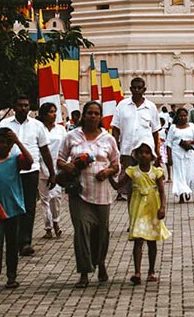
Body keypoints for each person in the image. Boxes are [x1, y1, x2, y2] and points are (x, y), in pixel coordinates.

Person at [57, 100, 120, 288]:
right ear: (83, 115)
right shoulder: (71, 136)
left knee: (102, 233)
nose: (93, 116)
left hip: (101, 194)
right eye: (89, 113)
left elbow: (116, 164)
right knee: (81, 231)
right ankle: (84, 271)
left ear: (100, 117)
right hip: (79, 192)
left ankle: (100, 262)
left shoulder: (108, 139)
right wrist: (68, 166)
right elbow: (59, 159)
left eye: (96, 113)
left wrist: (108, 172)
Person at [0, 95, 56, 256]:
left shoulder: (37, 126)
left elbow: (44, 150)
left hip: (31, 171)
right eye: (20, 105)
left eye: (26, 105)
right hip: (9, 171)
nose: (23, 108)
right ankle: (12, 240)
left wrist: (52, 173)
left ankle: (25, 242)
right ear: (14, 107)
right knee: (12, 206)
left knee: (28, 207)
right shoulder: (4, 124)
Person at [0, 127, 33, 294]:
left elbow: (30, 161)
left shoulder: (15, 160)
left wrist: (18, 141)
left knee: (12, 244)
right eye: (2, 142)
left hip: (14, 209)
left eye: (9, 143)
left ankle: (11, 276)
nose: (5, 146)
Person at [112, 142, 170, 284]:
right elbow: (118, 186)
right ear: (135, 156)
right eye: (140, 152)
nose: (143, 155)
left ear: (151, 156)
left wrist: (162, 207)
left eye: (146, 152)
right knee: (138, 239)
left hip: (152, 208)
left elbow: (162, 192)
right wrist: (109, 175)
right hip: (137, 208)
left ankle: (151, 271)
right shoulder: (132, 171)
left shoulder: (156, 172)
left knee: (151, 241)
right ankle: (137, 272)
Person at [113, 77, 160, 200]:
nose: (137, 90)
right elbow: (116, 129)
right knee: (129, 187)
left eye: (140, 88)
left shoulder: (151, 107)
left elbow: (155, 132)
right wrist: (115, 149)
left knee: (145, 183)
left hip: (145, 152)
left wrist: (157, 153)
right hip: (127, 150)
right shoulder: (122, 105)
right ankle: (132, 212)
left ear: (144, 89)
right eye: (134, 87)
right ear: (130, 89)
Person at [164, 107, 194, 202]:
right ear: (177, 117)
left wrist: (189, 143)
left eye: (185, 116)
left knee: (189, 174)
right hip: (177, 155)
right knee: (179, 174)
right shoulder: (173, 127)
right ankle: (181, 194)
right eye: (181, 116)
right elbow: (169, 143)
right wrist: (169, 157)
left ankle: (187, 190)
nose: (183, 118)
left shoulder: (191, 126)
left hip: (189, 154)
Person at [38, 102, 67, 239]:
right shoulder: (39, 128)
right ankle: (48, 227)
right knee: (44, 199)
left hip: (58, 167)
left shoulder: (61, 129)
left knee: (56, 197)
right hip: (42, 168)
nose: (54, 114)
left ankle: (56, 222)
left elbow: (66, 147)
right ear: (44, 114)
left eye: (55, 112)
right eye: (51, 112)